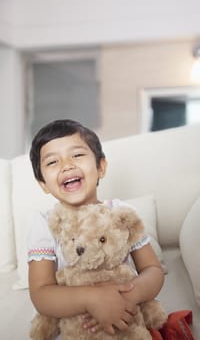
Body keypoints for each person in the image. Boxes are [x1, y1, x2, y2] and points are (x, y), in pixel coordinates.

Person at [27, 119, 165, 337]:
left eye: (77, 155)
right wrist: (92, 299)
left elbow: (153, 270)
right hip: (77, 328)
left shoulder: (121, 212)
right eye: (53, 162)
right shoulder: (46, 223)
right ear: (43, 183)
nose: (67, 165)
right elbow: (41, 294)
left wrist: (126, 297)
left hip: (126, 321)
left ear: (100, 167)